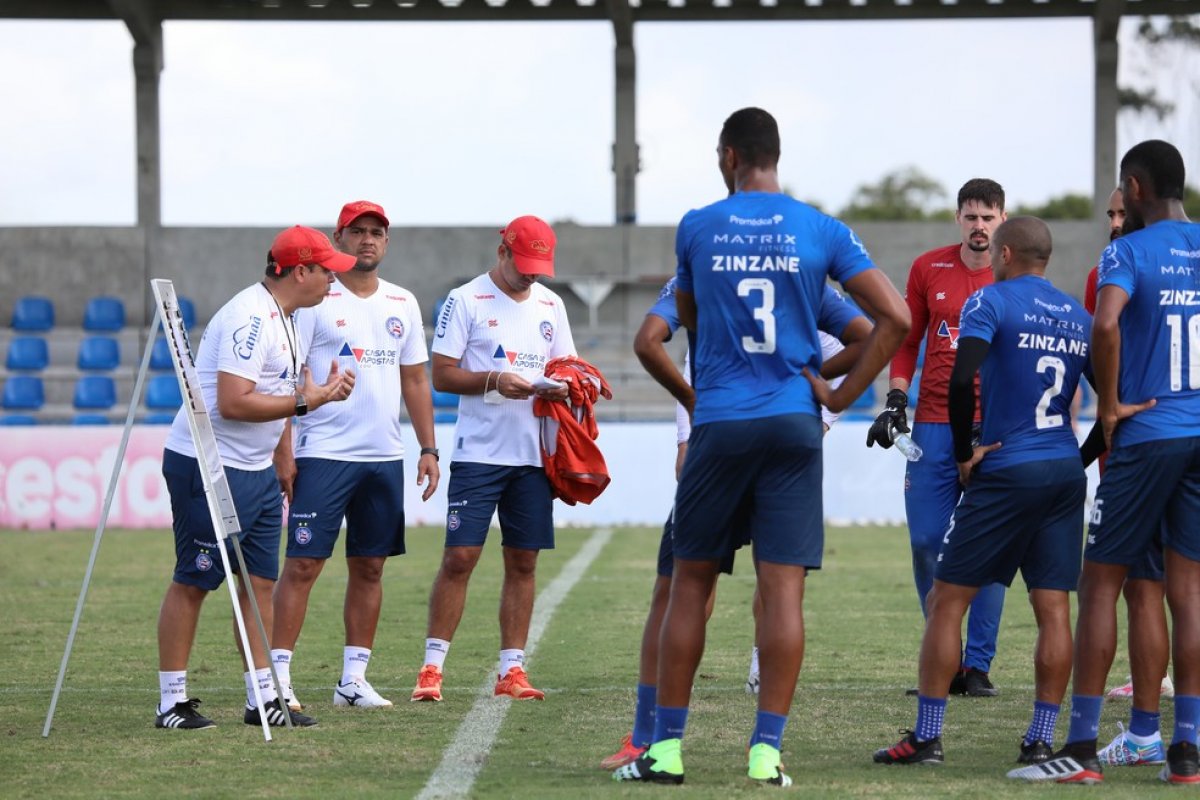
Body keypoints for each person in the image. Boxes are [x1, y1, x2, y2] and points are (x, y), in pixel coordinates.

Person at [614, 106, 910, 787]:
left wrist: (699, 397)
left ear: (728, 156)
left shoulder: (697, 225)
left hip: (720, 421)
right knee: (782, 593)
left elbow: (679, 326)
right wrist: (835, 392)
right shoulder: (821, 229)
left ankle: (664, 753)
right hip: (792, 424)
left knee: (689, 584)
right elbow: (891, 320)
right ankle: (766, 754)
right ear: (776, 155)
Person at [601, 278, 870, 770]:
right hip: (756, 444)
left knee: (709, 587)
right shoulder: (773, 263)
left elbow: (660, 345)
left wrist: (823, 413)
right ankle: (746, 749)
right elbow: (873, 335)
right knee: (686, 590)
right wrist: (816, 403)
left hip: (731, 443)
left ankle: (664, 743)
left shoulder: (728, 258)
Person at [873, 217, 1092, 768]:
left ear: (1008, 252)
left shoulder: (989, 302)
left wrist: (967, 450)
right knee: (1054, 610)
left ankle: (926, 737)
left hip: (1006, 466)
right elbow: (1111, 403)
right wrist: (1078, 460)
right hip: (1063, 470)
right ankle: (1040, 738)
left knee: (947, 600)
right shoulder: (1077, 315)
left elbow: (959, 378)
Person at [1016, 140, 1200, 785]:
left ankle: (1084, 749)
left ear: (1134, 186)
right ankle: (1185, 751)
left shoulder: (1125, 250)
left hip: (1147, 434)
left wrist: (1112, 405)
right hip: (1198, 433)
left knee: (1100, 583)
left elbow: (1105, 325)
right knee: (1187, 590)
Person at [155, 226, 356, 730]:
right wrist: (311, 399)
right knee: (194, 579)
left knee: (260, 583)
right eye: (326, 269)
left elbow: (276, 392)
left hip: (255, 469)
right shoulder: (251, 315)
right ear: (300, 270)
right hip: (209, 464)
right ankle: (170, 702)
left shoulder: (286, 315)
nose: (334, 278)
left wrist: (286, 446)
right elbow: (234, 401)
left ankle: (262, 698)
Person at [270, 201, 440, 711]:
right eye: (358, 231)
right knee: (302, 566)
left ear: (386, 243)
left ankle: (352, 680)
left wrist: (428, 447)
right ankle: (276, 677)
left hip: (384, 455)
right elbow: (287, 375)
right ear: (338, 238)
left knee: (370, 569)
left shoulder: (402, 302)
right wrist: (285, 448)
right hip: (324, 453)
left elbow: (415, 378)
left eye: (377, 233)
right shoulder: (317, 296)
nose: (368, 240)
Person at [409, 215, 574, 704]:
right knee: (460, 558)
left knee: (523, 560)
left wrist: (571, 385)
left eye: (539, 267)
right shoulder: (465, 300)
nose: (531, 275)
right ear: (502, 251)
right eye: (524, 264)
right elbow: (441, 375)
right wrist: (493, 380)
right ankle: (432, 669)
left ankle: (512, 670)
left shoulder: (552, 304)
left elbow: (564, 365)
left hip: (533, 455)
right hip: (480, 456)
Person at [876, 178, 1008, 697]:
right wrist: (895, 398)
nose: (979, 227)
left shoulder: (1011, 271)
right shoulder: (927, 267)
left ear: (1002, 219)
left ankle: (977, 666)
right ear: (959, 218)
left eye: (988, 217)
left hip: (994, 428)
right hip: (931, 423)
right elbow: (907, 342)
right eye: (971, 216)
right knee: (927, 541)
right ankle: (944, 660)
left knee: (992, 549)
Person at [1082, 189, 1173, 767]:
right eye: (1110, 215)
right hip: (1163, 443)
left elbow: (1105, 340)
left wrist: (1109, 415)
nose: (1116, 223)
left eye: (1122, 212)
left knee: (1114, 588)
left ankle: (1090, 741)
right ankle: (1163, 732)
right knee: (1158, 590)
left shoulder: (1122, 266)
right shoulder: (1107, 269)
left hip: (1143, 448)